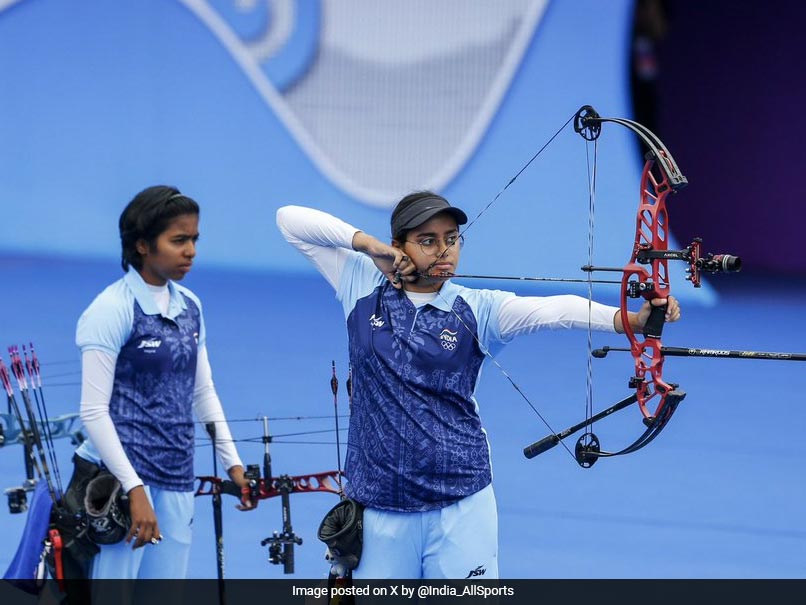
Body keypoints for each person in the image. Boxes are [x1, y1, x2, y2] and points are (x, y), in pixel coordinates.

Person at [277, 191, 680, 580]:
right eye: (428, 241)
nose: (443, 251)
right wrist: (367, 245)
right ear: (399, 245)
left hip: (460, 505)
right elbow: (289, 220)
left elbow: (556, 310)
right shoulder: (360, 284)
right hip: (382, 507)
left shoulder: (478, 308)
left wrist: (633, 320)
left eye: (452, 240)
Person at [71, 185, 254, 581]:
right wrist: (134, 489)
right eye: (178, 240)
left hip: (176, 474)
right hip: (120, 481)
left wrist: (234, 464)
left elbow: (202, 391)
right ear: (142, 245)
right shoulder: (110, 310)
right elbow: (93, 411)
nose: (191, 250)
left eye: (193, 239)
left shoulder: (190, 306)